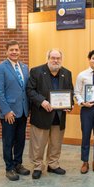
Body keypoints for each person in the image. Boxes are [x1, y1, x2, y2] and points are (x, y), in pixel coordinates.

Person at [26, 49, 74, 179]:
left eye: (58, 58)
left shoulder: (67, 73)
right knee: (38, 144)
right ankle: (37, 166)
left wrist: (70, 105)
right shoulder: (36, 71)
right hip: (42, 114)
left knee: (56, 143)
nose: (55, 60)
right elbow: (30, 90)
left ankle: (53, 165)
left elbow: (71, 91)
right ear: (47, 58)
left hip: (59, 116)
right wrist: (42, 101)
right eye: (53, 58)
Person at [0, 40, 30, 181]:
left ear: (20, 51)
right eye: (11, 50)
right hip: (9, 113)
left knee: (20, 140)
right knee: (8, 141)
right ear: (6, 51)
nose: (14, 52)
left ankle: (18, 164)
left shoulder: (25, 68)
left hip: (23, 111)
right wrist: (6, 110)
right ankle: (9, 168)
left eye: (17, 50)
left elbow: (25, 89)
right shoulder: (0, 68)